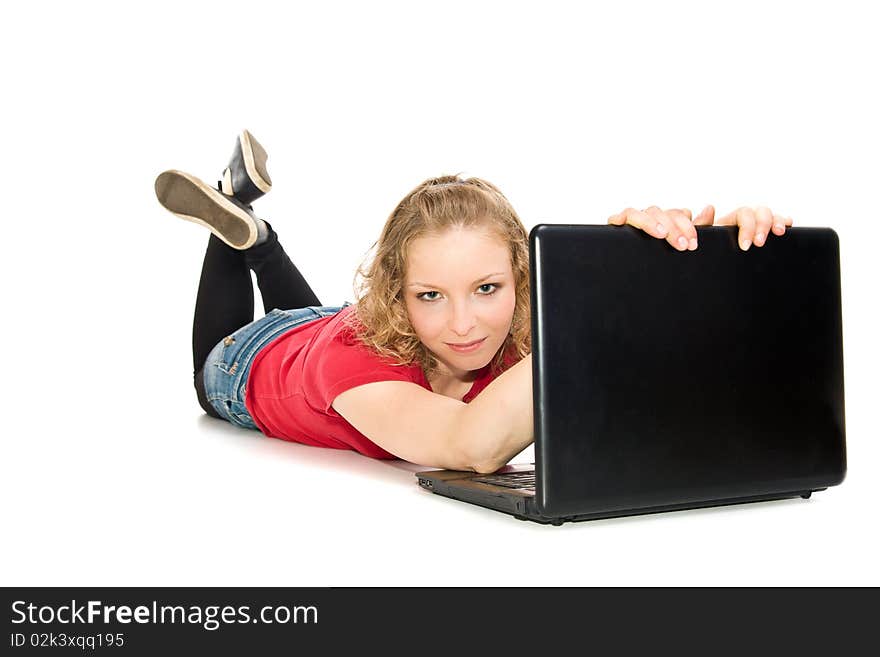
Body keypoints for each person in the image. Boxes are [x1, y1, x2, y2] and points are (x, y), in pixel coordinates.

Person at [155, 130, 794, 474]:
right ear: (395, 297)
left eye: (486, 288)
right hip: (252, 362)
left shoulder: (503, 325)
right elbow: (472, 447)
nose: (464, 326)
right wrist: (605, 300)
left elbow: (669, 379)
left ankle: (261, 240)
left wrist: (695, 267)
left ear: (521, 275)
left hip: (332, 325)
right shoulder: (353, 364)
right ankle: (231, 213)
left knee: (324, 317)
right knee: (219, 358)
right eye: (430, 295)